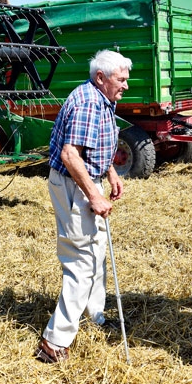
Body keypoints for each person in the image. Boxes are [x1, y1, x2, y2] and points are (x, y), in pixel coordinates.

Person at [35, 49, 132, 364]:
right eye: (121, 79)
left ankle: (94, 315)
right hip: (73, 184)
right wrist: (94, 194)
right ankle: (54, 342)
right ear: (101, 77)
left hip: (87, 180)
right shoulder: (88, 102)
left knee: (97, 250)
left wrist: (110, 173)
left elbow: (94, 146)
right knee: (81, 260)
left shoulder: (102, 97)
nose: (126, 85)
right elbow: (70, 155)